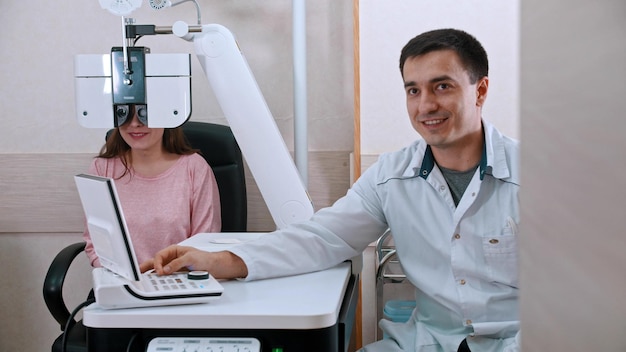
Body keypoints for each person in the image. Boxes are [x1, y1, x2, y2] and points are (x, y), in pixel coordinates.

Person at [142, 28, 520, 352]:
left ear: (480, 90)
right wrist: (222, 261)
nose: (426, 105)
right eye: (413, 90)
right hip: (427, 342)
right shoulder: (391, 175)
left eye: (442, 86)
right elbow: (322, 238)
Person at [83, 105, 222, 267]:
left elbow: (203, 244)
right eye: (124, 113)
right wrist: (125, 277)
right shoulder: (102, 168)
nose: (134, 124)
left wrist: (166, 274)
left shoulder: (195, 168)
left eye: (145, 113)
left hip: (179, 281)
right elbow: (95, 243)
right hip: (120, 280)